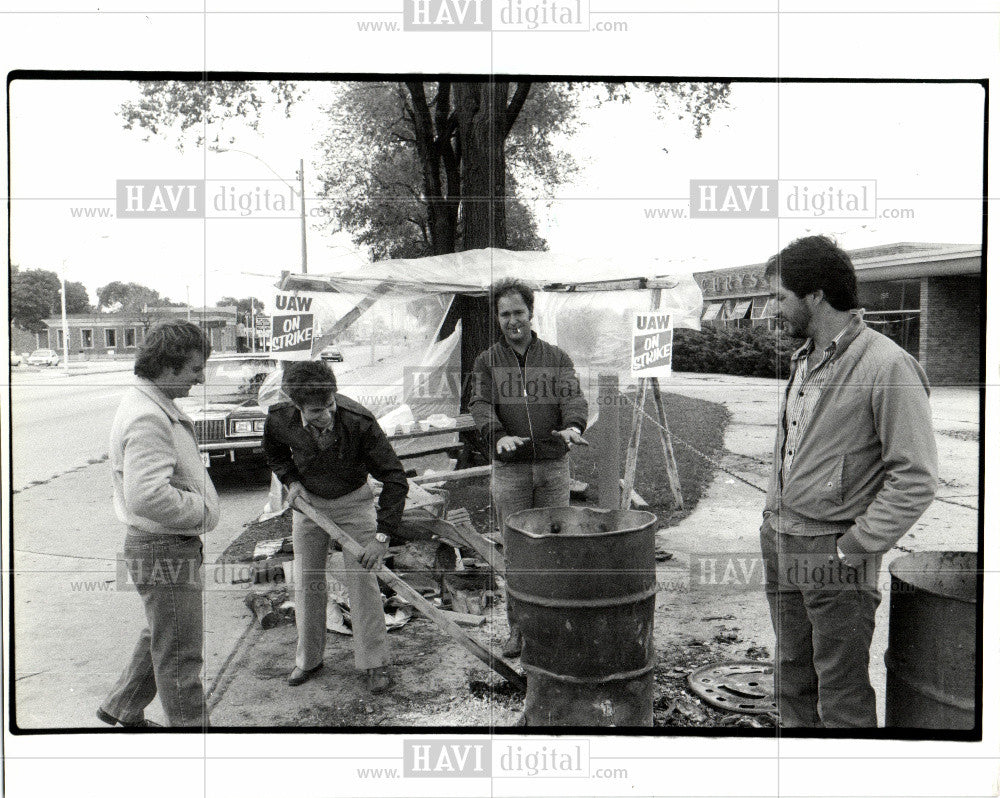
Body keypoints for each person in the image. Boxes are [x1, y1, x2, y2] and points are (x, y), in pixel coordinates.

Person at [761, 235, 938, 728]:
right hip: (781, 538)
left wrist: (855, 545)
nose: (771, 309)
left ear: (815, 295)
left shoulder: (887, 365)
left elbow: (916, 477)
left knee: (840, 692)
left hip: (835, 553)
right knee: (791, 674)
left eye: (778, 297)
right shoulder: (804, 358)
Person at [98, 320, 217, 728]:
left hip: (159, 544)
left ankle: (123, 707)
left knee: (164, 633)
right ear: (167, 368)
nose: (200, 379)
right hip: (164, 545)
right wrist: (201, 510)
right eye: (195, 369)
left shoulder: (148, 403)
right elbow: (146, 495)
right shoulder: (148, 416)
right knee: (181, 653)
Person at [262, 360, 408, 692]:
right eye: (315, 411)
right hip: (309, 505)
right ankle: (308, 660)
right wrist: (291, 482)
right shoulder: (278, 419)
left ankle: (375, 663)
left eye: (329, 405)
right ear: (296, 406)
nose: (326, 415)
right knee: (307, 582)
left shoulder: (359, 422)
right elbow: (274, 453)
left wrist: (382, 535)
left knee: (362, 582)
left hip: (354, 502)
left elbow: (395, 478)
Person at [469, 278, 589, 657]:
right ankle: (519, 631)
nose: (512, 320)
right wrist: (496, 434)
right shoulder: (487, 361)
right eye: (504, 314)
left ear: (531, 312)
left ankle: (556, 627)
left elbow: (573, 398)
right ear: (496, 318)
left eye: (518, 311)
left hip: (554, 469)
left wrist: (573, 426)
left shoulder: (556, 358)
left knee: (555, 547)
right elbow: (480, 404)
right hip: (511, 472)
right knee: (518, 552)